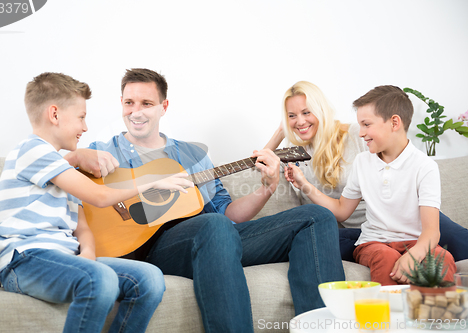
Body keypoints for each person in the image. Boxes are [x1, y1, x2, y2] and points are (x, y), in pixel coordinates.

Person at [67, 68, 345, 333]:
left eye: (146, 103)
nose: (136, 111)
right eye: (129, 102)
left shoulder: (193, 156)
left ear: (163, 107)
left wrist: (267, 188)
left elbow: (229, 216)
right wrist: (74, 156)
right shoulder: (102, 151)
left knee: (315, 217)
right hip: (150, 249)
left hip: (215, 238)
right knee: (212, 225)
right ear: (121, 103)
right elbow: (49, 172)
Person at [0, 72, 174, 333]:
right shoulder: (30, 150)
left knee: (150, 279)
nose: (86, 127)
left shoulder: (64, 172)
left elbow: (83, 228)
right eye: (81, 117)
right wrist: (150, 181)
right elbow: (99, 197)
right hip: (25, 261)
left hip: (66, 259)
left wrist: (87, 255)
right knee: (99, 279)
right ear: (54, 114)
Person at [264, 81, 468, 262]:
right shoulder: (294, 155)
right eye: (292, 115)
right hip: (366, 232)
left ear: (321, 110)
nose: (300, 121)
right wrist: (281, 131)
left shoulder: (357, 134)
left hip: (404, 218)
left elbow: (400, 161)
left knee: (456, 241)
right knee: (306, 241)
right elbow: (259, 164)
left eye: (306, 112)